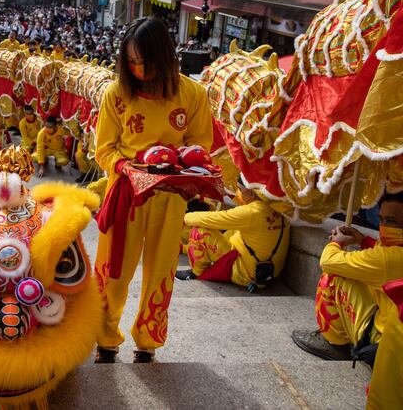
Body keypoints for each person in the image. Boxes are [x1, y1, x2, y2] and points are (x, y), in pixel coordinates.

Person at [94, 18, 213, 364]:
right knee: (114, 268)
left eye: (144, 61)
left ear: (163, 56)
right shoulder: (115, 94)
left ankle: (148, 340)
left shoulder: (192, 94)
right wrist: (127, 168)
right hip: (126, 192)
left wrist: (178, 167)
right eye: (130, 61)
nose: (137, 69)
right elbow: (105, 148)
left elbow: (200, 144)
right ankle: (105, 337)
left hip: (169, 195)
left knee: (161, 268)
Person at [291, 191, 403, 364]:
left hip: (385, 342)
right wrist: (362, 239)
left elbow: (329, 262)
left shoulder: (391, 258)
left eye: (391, 221)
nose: (383, 227)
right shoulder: (392, 253)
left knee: (334, 276)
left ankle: (335, 344)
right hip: (393, 330)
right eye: (381, 219)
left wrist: (337, 242)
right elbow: (381, 253)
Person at [176, 183, 289, 288]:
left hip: (246, 274)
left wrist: (184, 217)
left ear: (252, 193)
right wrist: (229, 193)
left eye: (240, 189)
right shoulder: (276, 208)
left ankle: (195, 273)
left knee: (200, 230)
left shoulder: (251, 213)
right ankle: (185, 248)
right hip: (268, 272)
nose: (239, 193)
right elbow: (245, 204)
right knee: (234, 229)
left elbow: (211, 219)